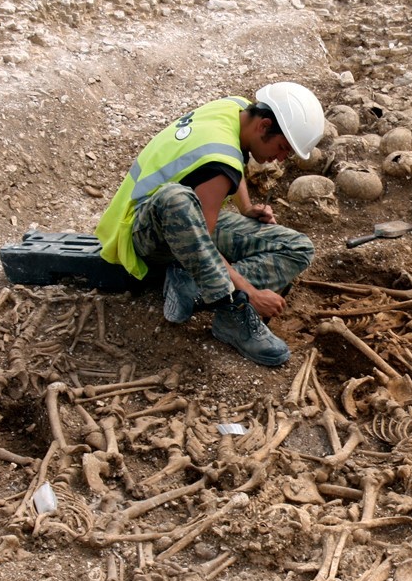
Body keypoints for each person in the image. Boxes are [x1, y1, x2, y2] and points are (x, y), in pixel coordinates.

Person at [94, 82, 325, 367]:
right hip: (141, 234)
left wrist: (246, 207)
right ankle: (231, 311)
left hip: (178, 222)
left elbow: (232, 159)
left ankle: (190, 287)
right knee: (176, 199)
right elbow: (202, 241)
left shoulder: (234, 108)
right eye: (282, 147)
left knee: (297, 247)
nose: (279, 158)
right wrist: (249, 293)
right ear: (264, 126)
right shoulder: (220, 163)